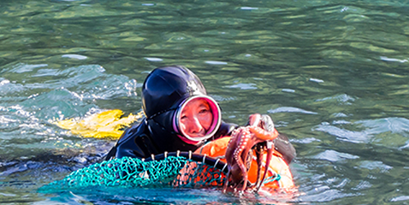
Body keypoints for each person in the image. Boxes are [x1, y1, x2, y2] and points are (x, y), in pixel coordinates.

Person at [104, 66, 296, 163]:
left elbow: (289, 153)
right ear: (162, 120)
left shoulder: (216, 130)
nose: (197, 126)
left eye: (203, 111)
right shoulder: (132, 149)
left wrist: (260, 136)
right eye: (183, 117)